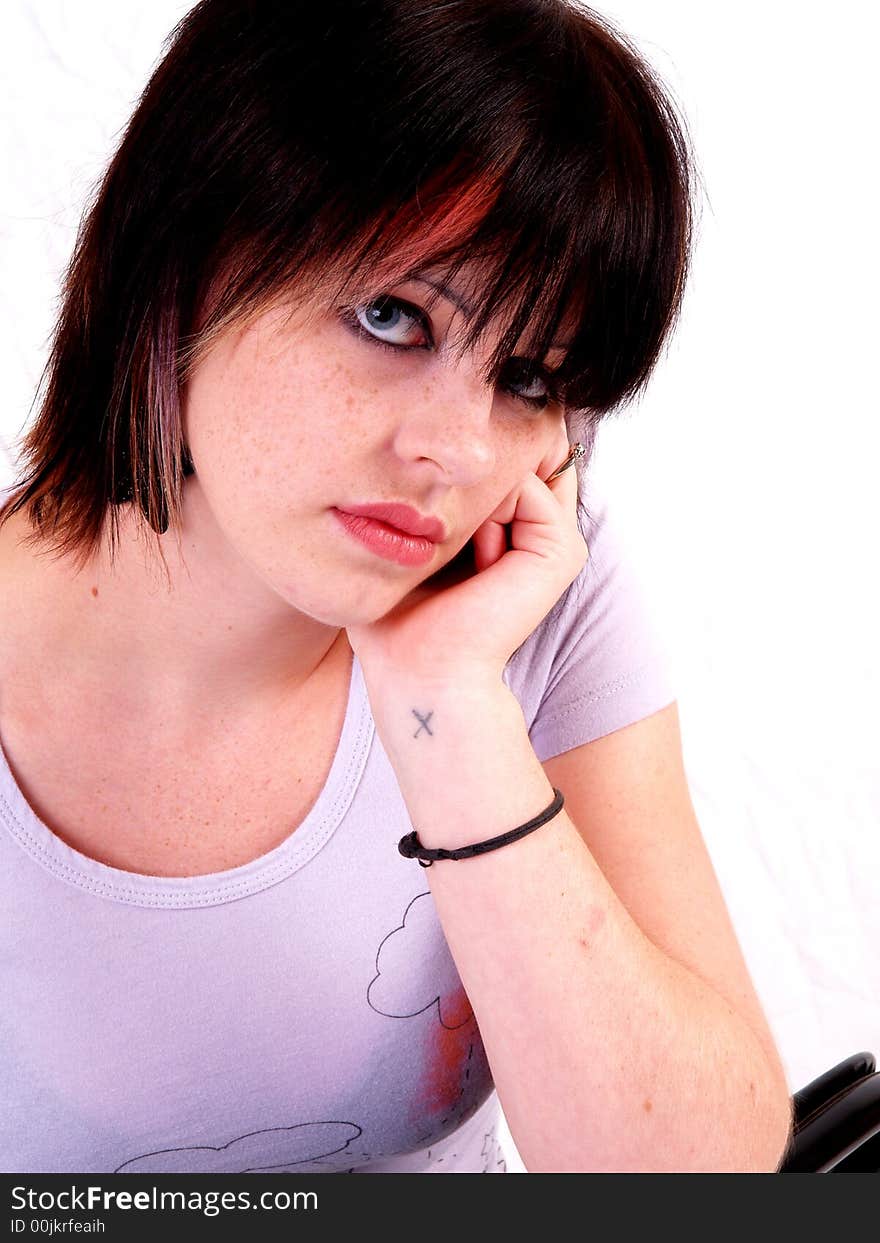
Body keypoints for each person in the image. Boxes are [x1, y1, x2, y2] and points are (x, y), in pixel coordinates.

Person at [0, 0, 793, 1173]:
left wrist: (449, 701)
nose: (461, 453)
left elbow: (697, 1179)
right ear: (174, 274)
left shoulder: (532, 592)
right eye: (393, 317)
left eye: (528, 377)